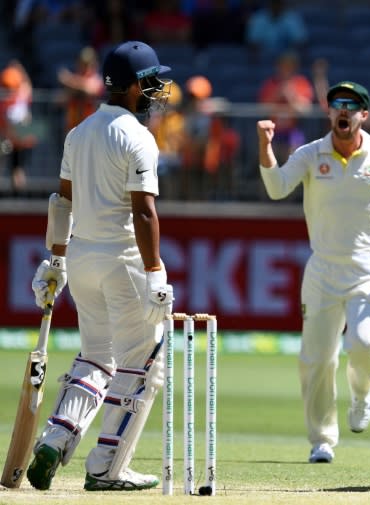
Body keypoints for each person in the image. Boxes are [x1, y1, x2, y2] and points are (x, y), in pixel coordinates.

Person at [26, 40, 174, 491]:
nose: (155, 91)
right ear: (130, 87)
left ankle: (56, 436)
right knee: (144, 364)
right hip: (124, 261)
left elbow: (62, 202)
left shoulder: (79, 131)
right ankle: (108, 466)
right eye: (150, 83)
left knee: (97, 356)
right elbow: (144, 211)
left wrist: (55, 259)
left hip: (83, 261)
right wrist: (155, 273)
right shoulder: (137, 136)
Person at [257, 81, 370, 464]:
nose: (343, 111)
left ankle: (362, 393)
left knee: (364, 345)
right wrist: (266, 148)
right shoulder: (312, 154)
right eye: (336, 106)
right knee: (316, 359)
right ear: (330, 113)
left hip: (367, 270)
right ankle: (322, 439)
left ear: (363, 115)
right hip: (322, 271)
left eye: (351, 106)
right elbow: (279, 187)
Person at [0, 59, 37, 195]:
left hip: (12, 139)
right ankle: (19, 195)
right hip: (21, 139)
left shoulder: (6, 99)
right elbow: (28, 86)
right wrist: (21, 70)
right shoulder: (21, 94)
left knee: (15, 168)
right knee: (17, 168)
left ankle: (17, 196)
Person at [57, 46, 105, 133]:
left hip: (91, 129)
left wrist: (69, 80)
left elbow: (90, 89)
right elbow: (60, 99)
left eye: (88, 63)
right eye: (83, 63)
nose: (86, 67)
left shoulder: (97, 79)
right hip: (73, 129)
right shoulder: (76, 79)